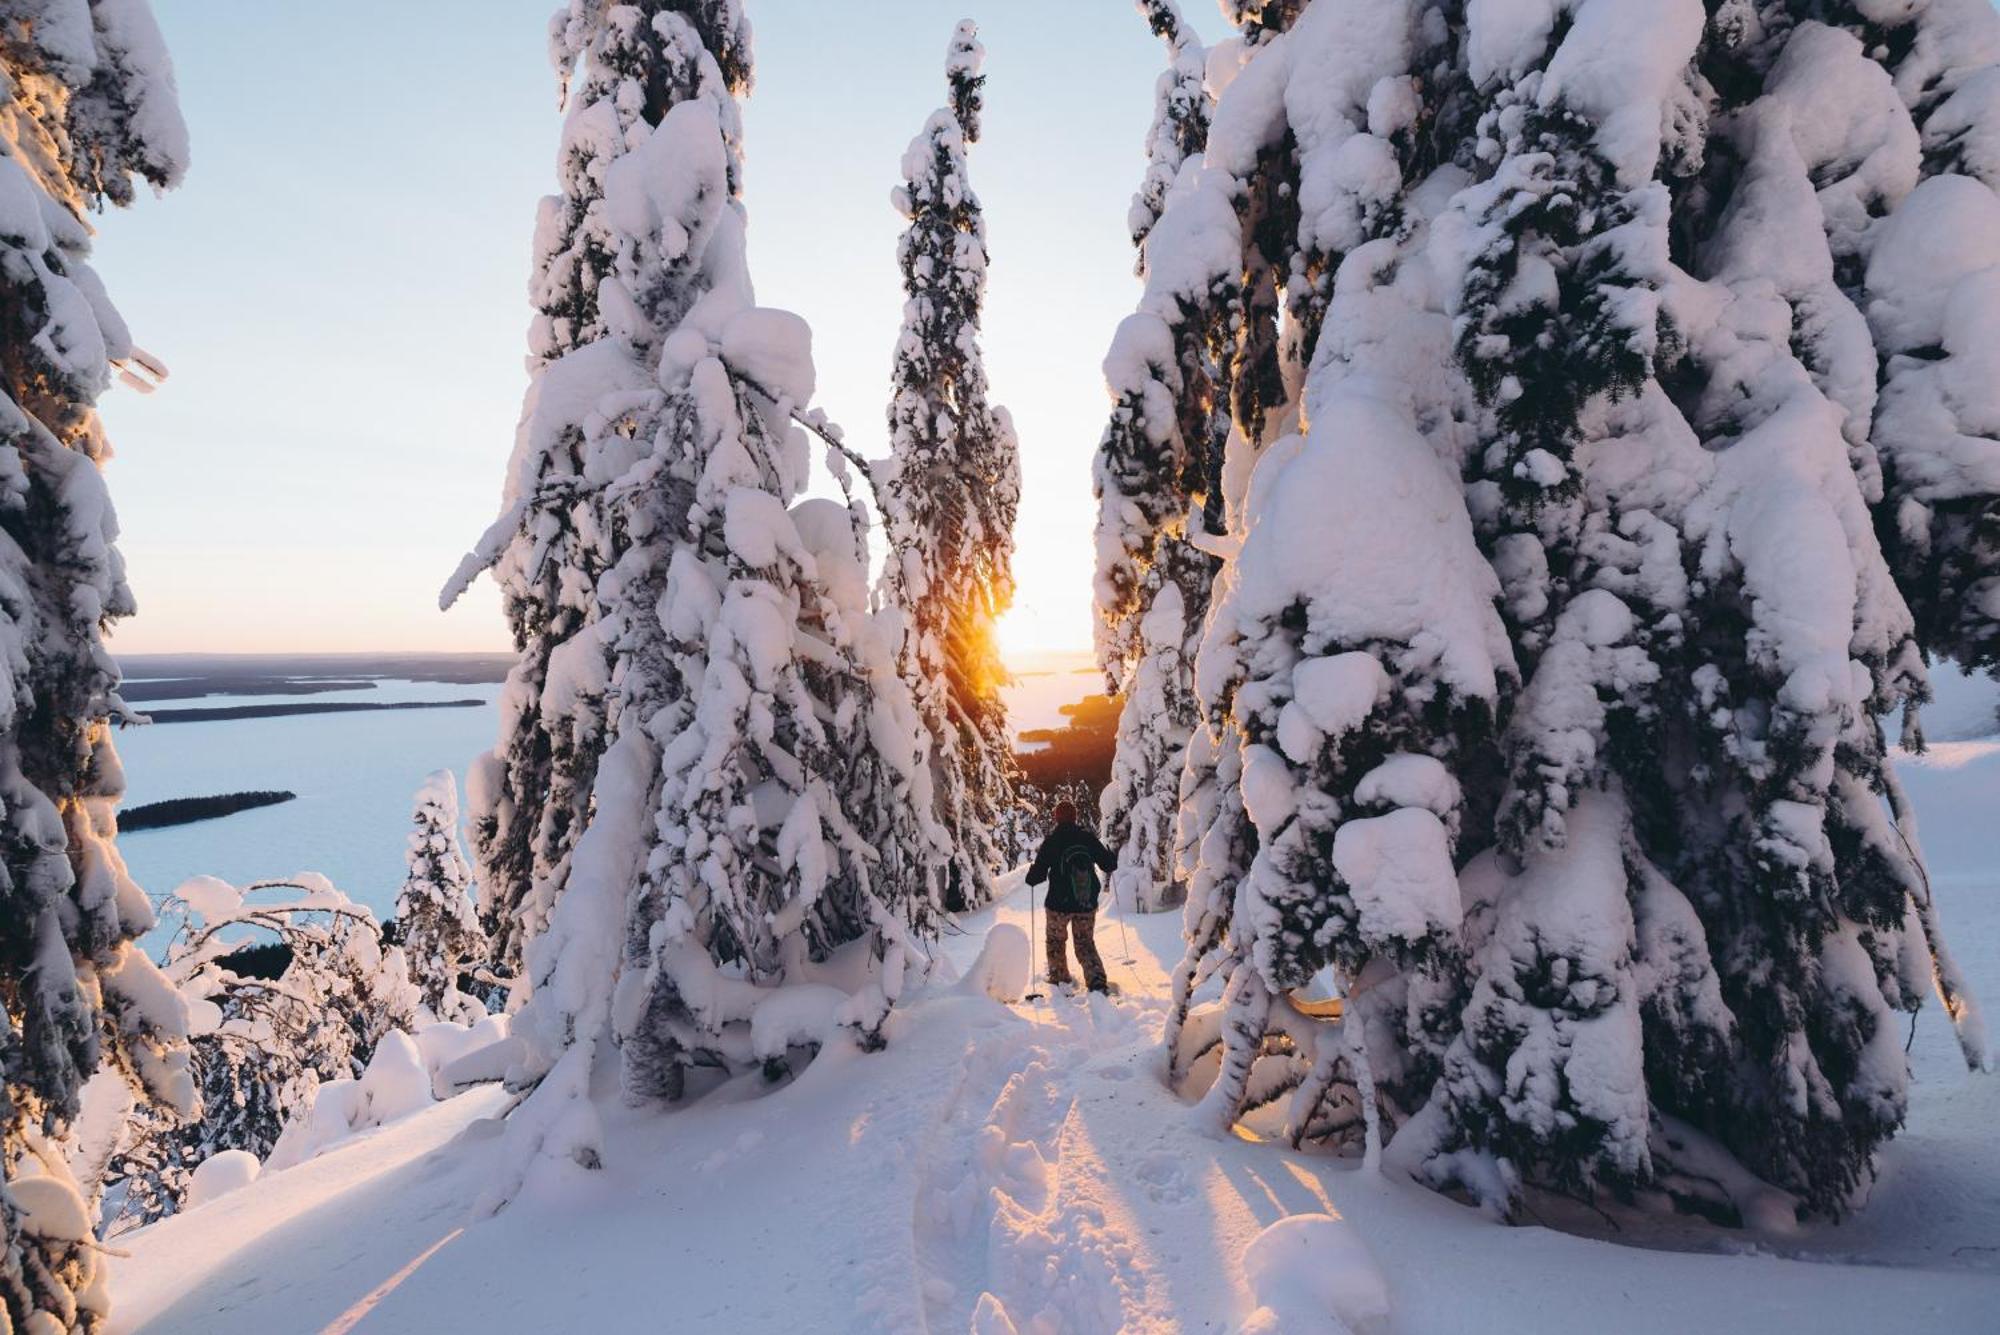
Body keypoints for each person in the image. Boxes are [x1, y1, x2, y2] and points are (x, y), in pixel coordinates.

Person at [1025, 800, 1117, 994]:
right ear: (1075, 817)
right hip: (1086, 902)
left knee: (1055, 941)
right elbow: (1108, 865)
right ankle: (1097, 981)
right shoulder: (1087, 838)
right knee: (1085, 943)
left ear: (1056, 817)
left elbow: (1037, 876)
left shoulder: (1052, 841)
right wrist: (1109, 856)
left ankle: (1060, 980)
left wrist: (1032, 874)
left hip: (1058, 905)